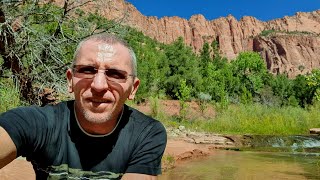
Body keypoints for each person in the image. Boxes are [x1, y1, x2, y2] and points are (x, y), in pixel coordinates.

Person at [0, 33, 167, 179]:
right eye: (87, 70)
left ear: (133, 88)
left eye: (115, 74)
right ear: (70, 80)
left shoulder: (147, 133)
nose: (99, 85)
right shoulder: (34, 123)